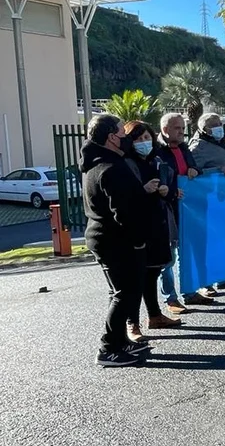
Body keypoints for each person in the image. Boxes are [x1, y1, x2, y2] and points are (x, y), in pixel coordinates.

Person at [80, 114, 151, 367]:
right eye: (122, 132)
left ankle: (120, 341)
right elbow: (124, 213)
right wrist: (138, 241)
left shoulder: (95, 164)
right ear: (111, 137)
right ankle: (108, 348)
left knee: (119, 292)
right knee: (126, 293)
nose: (127, 138)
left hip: (104, 239)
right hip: (117, 242)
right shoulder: (111, 168)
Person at [122, 121, 182, 343]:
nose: (143, 143)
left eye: (147, 138)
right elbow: (123, 197)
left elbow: (172, 190)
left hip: (158, 226)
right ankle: (132, 323)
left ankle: (155, 316)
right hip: (137, 228)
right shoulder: (125, 164)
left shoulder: (158, 161)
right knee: (135, 279)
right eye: (138, 139)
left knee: (152, 273)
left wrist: (167, 191)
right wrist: (143, 190)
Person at [153, 113, 212, 315]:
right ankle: (170, 298)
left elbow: (194, 167)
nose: (181, 131)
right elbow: (157, 178)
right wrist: (170, 189)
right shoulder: (156, 151)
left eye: (182, 128)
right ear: (165, 129)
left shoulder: (184, 148)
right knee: (168, 257)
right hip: (166, 210)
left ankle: (189, 291)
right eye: (177, 128)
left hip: (187, 209)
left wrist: (194, 170)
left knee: (188, 253)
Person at [189, 113, 225, 291]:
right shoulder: (198, 147)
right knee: (208, 243)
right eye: (215, 125)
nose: (219, 127)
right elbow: (193, 174)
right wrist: (217, 170)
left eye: (220, 123)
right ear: (204, 128)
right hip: (209, 201)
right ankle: (204, 283)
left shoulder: (221, 144)